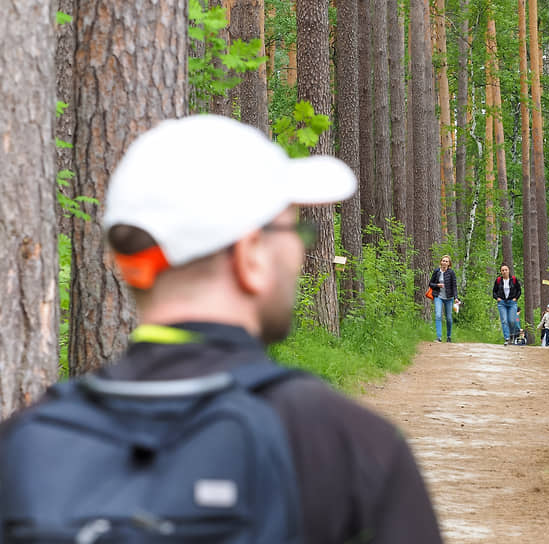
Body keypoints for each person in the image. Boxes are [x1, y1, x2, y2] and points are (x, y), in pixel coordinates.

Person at [0, 115, 443, 543]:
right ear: (250, 255)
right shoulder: (347, 444)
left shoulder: (23, 444)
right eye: (294, 230)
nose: (300, 253)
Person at [428, 255, 458, 342]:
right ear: (440, 262)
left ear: (449, 264)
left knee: (448, 317)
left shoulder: (451, 273)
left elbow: (454, 286)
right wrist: (438, 285)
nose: (444, 262)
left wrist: (456, 298)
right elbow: (430, 284)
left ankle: (448, 336)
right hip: (438, 296)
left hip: (449, 298)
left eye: (446, 261)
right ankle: (439, 337)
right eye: (443, 261)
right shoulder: (436, 271)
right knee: (438, 315)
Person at [492, 264, 522, 345]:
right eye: (503, 270)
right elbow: (494, 291)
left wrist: (516, 298)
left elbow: (519, 290)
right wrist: (497, 298)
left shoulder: (514, 279)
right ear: (501, 272)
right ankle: (507, 338)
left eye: (506, 270)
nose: (504, 272)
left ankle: (512, 335)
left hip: (512, 303)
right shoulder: (498, 280)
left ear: (509, 270)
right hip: (502, 303)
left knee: (512, 320)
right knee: (504, 321)